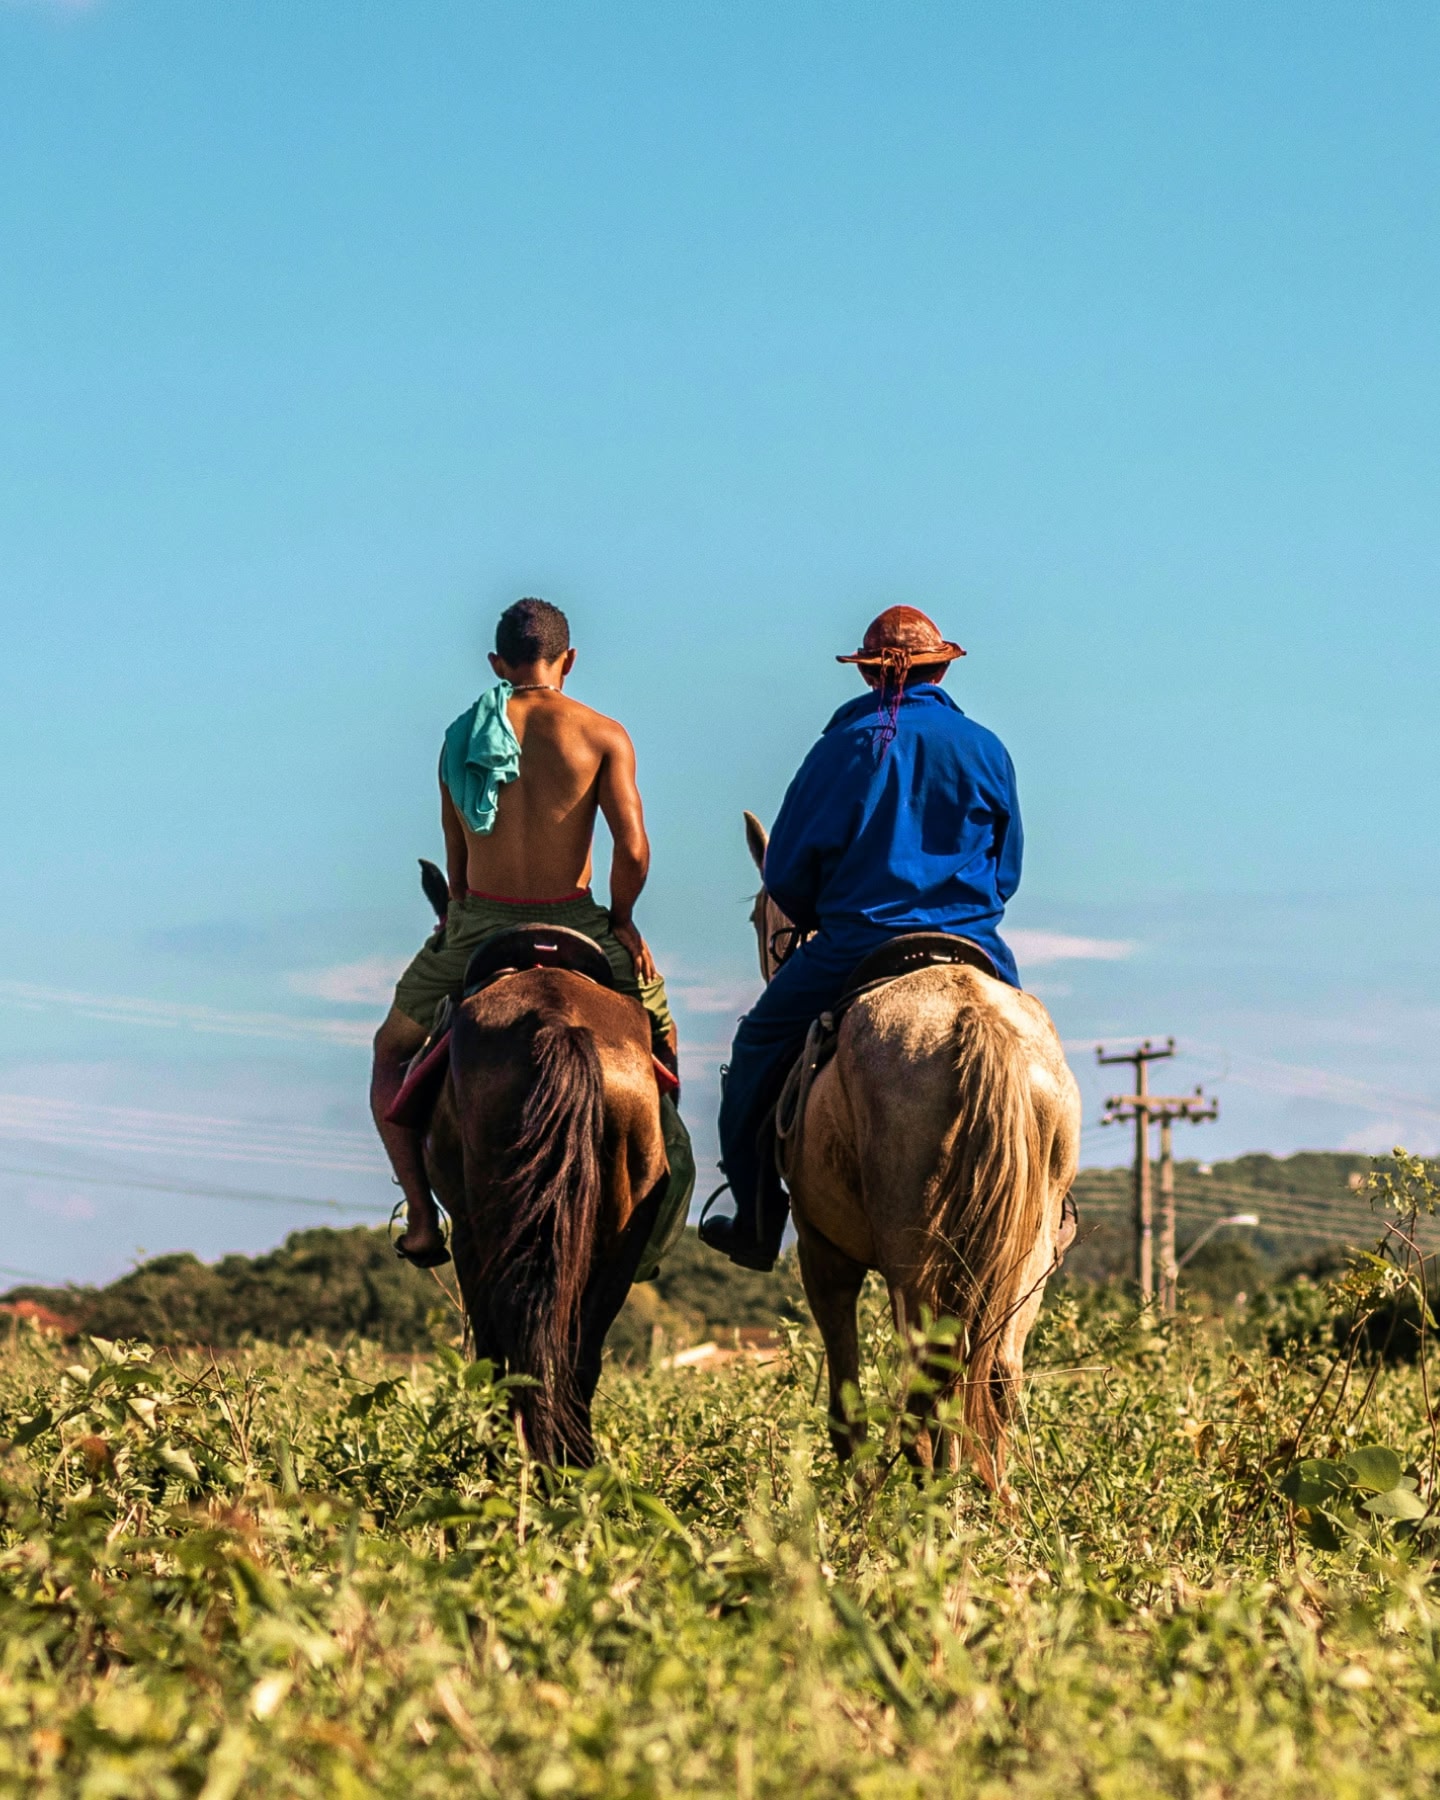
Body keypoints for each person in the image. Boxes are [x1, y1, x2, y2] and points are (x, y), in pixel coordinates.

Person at [700, 605, 1023, 1271]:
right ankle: (1051, 1199)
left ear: (870, 678)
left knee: (756, 1045)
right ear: (939, 668)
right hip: (976, 946)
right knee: (1028, 1049)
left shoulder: (841, 748)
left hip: (857, 943)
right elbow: (1007, 868)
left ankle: (757, 1219)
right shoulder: (986, 747)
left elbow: (786, 876)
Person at [372, 596, 678, 1267]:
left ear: (496, 663)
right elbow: (633, 850)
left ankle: (424, 1219)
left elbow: (455, 864)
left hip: (478, 921)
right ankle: (650, 1225)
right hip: (576, 919)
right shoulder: (603, 734)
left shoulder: (460, 737)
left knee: (390, 1053)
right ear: (569, 660)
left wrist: (463, 916)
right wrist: (621, 921)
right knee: (662, 1043)